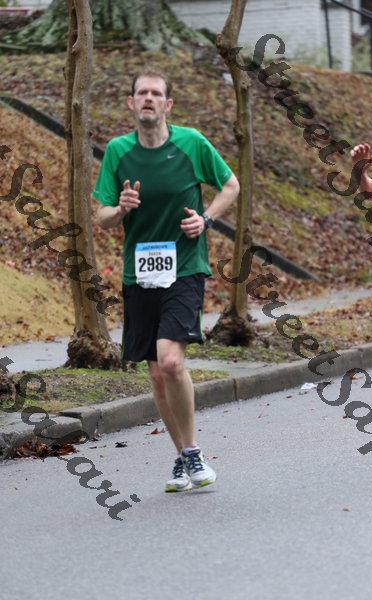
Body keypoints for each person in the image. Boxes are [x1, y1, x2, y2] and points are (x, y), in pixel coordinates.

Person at [93, 68, 239, 492]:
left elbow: (231, 185)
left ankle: (192, 451)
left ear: (168, 104)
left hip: (185, 267)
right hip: (139, 274)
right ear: (131, 102)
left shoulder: (191, 143)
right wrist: (122, 208)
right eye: (142, 93)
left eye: (156, 93)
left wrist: (206, 219)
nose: (149, 99)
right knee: (157, 375)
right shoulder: (118, 151)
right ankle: (182, 456)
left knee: (172, 362)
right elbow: (101, 217)